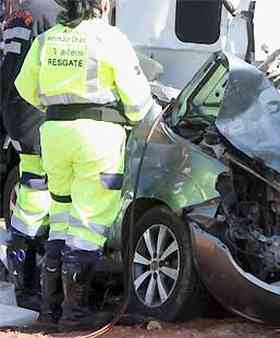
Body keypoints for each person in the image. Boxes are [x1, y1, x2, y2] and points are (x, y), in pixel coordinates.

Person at [15, 0, 156, 330]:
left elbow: (26, 90)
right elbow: (138, 102)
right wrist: (136, 119)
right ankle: (75, 315)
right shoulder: (109, 38)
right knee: (89, 222)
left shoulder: (46, 39)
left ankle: (50, 311)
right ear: (102, 4)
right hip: (98, 137)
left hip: (54, 135)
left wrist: (58, 106)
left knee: (61, 216)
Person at [1, 0, 61, 313]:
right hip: (38, 116)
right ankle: (33, 284)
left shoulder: (23, 13)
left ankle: (25, 276)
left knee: (33, 193)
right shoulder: (56, 16)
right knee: (46, 196)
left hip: (17, 113)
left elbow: (7, 66)